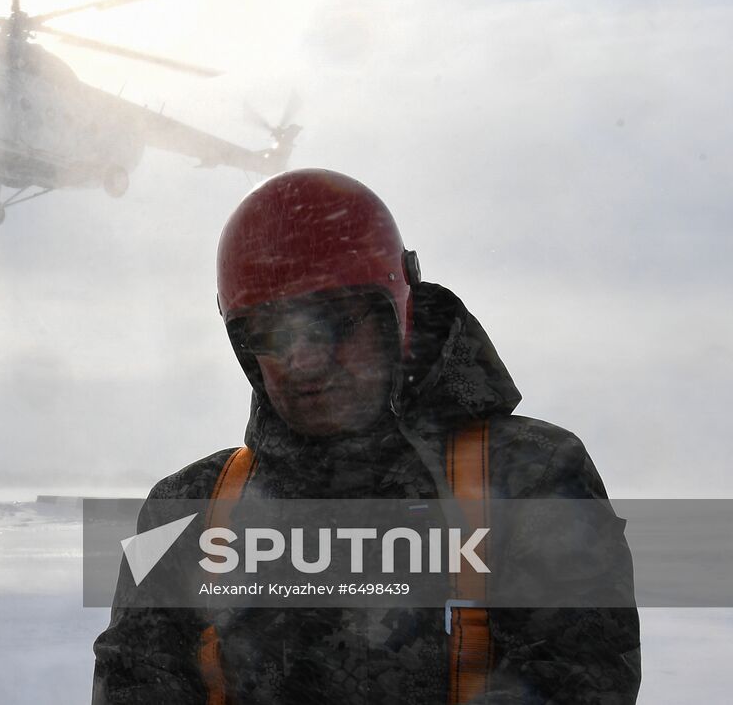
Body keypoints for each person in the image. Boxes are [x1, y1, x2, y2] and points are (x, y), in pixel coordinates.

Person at [92, 168, 641, 704]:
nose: (302, 360)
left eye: (332, 322)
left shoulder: (530, 477)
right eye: (270, 333)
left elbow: (581, 678)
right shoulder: (183, 512)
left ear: (395, 316)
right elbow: (134, 679)